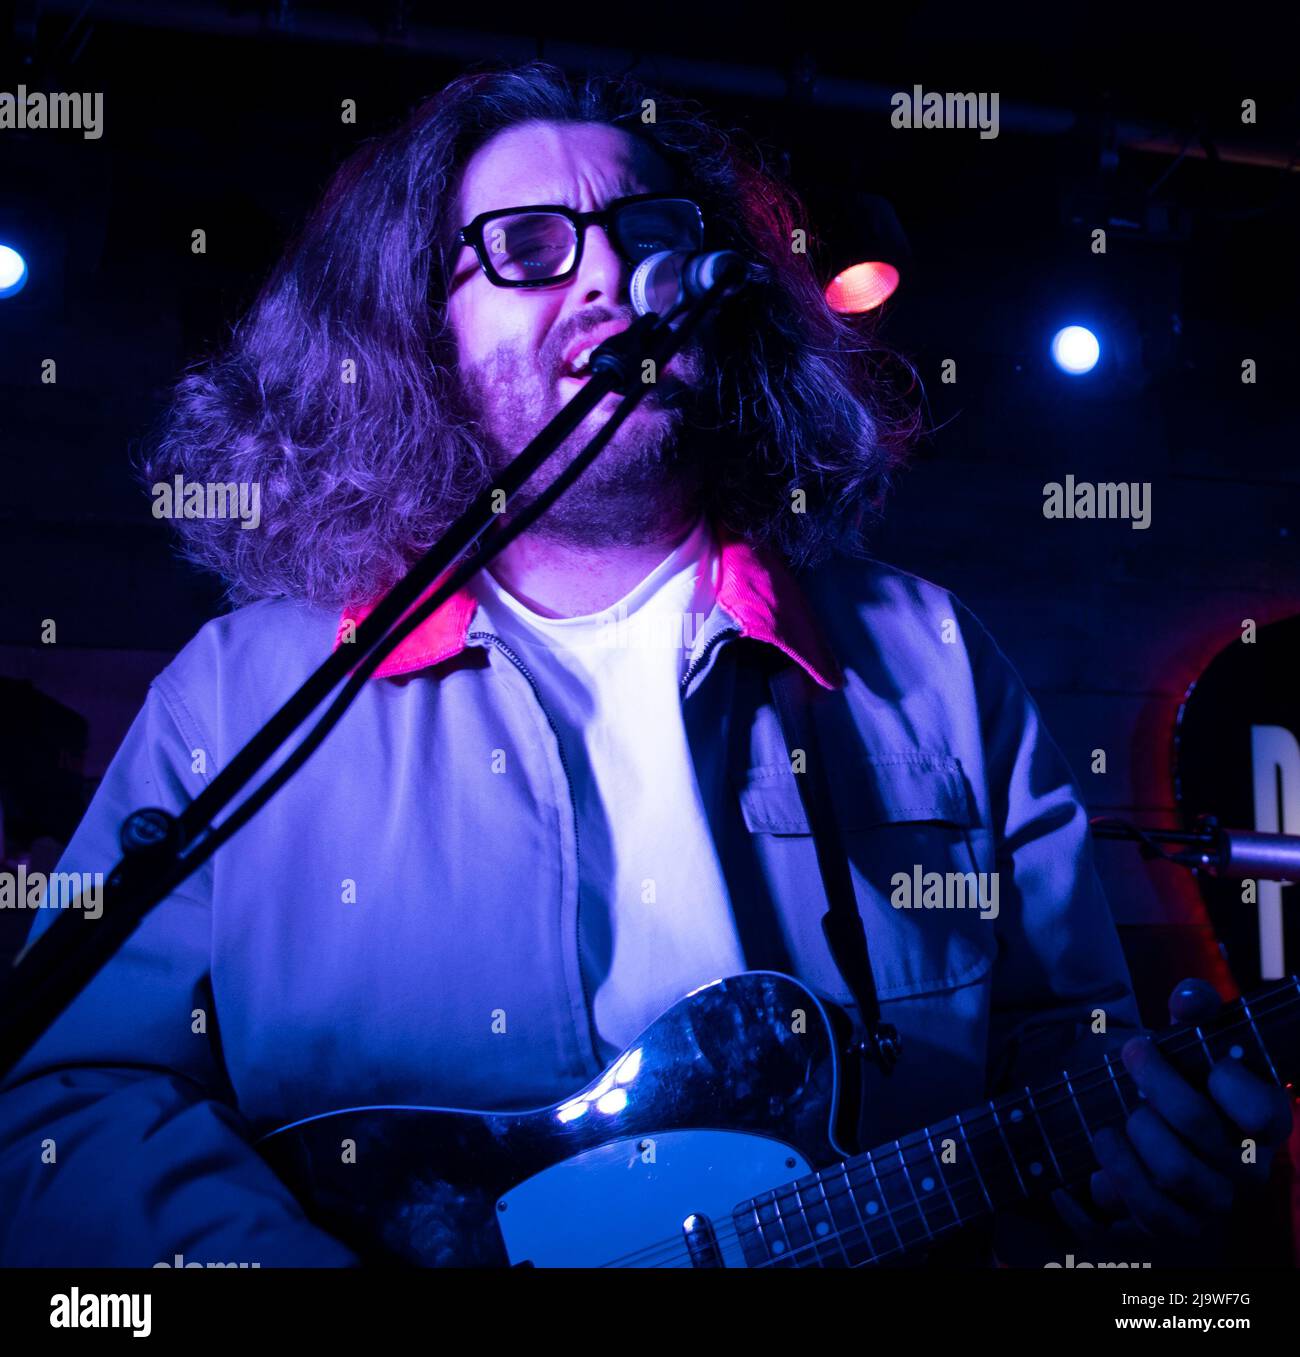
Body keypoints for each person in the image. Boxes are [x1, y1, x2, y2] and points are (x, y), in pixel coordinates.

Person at [0, 62, 1290, 1268]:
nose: (613, 282)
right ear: (418, 332)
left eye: (654, 235)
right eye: (527, 247)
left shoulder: (933, 662)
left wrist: (1155, 1179)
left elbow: (1072, 1062)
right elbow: (62, 1099)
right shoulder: (242, 691)